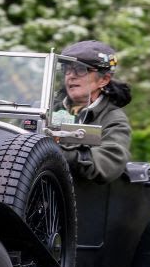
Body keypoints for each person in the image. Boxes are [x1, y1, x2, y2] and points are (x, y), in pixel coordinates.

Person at [52, 40, 132, 183]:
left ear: (104, 80)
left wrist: (53, 150)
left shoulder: (113, 119)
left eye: (80, 69)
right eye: (67, 69)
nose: (71, 75)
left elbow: (107, 165)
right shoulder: (46, 109)